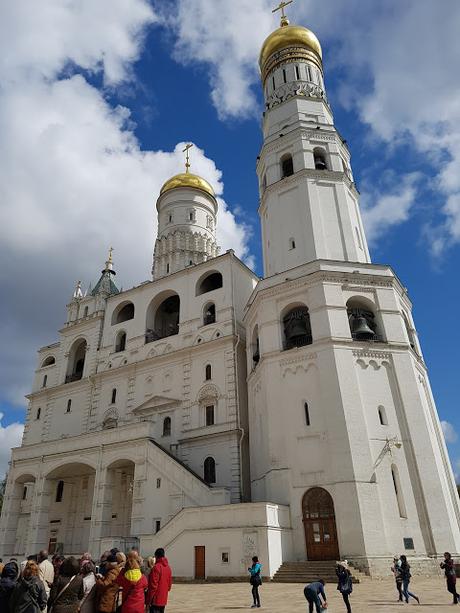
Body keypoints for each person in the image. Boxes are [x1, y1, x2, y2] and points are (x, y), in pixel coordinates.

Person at [146, 548, 172, 613]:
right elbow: (169, 586)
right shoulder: (168, 567)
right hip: (163, 598)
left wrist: (148, 600)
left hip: (155, 599)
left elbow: (153, 586)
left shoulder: (156, 567)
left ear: (156, 556)